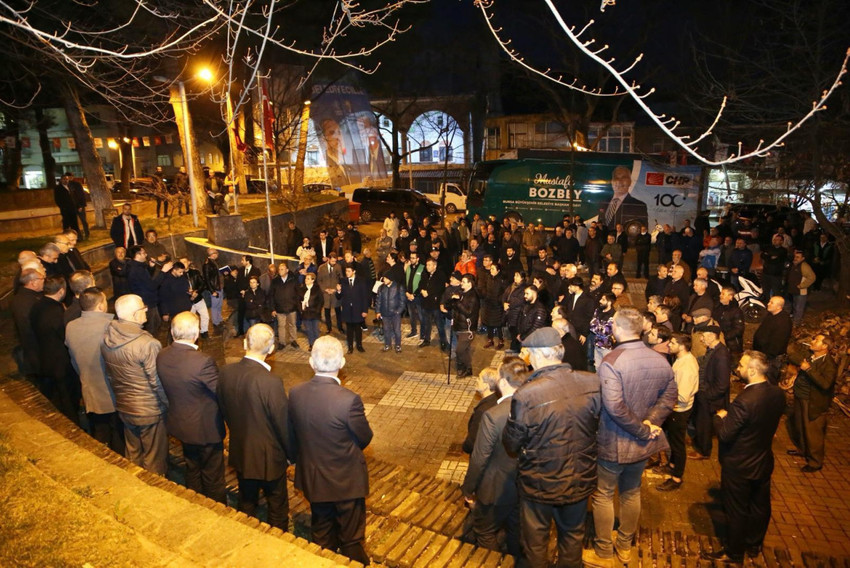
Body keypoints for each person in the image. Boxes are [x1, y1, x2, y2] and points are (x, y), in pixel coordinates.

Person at [585, 307, 676, 567]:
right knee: (631, 492)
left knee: (603, 495)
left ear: (619, 329)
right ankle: (624, 546)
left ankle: (603, 551)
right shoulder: (659, 358)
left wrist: (642, 428)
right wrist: (651, 423)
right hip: (642, 445)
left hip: (614, 441)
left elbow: (613, 407)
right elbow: (670, 395)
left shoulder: (612, 361)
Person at [504, 328, 601, 567]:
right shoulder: (592, 382)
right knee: (572, 536)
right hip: (580, 478)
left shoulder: (527, 394)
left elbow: (512, 442)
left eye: (528, 353)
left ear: (538, 355)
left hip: (540, 482)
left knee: (535, 542)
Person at [289, 335, 373, 565]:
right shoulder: (348, 400)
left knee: (322, 533)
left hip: (314, 479)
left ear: (311, 363)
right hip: (345, 481)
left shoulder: (295, 393)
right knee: (351, 539)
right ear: (342, 363)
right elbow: (365, 437)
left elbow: (295, 433)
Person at [702, 351, 785, 564]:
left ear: (753, 370)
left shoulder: (744, 401)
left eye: (741, 365)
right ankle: (754, 543)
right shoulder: (777, 393)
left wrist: (720, 418)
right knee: (759, 505)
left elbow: (725, 434)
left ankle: (734, 551)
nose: (737, 368)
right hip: (762, 460)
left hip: (739, 464)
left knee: (736, 509)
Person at [217, 323, 291, 528]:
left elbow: (223, 408)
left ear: (244, 343)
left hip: (241, 451)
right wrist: (292, 454)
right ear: (272, 348)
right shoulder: (270, 382)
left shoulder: (225, 372)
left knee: (246, 502)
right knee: (277, 507)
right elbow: (283, 423)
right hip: (269, 459)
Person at [156, 312, 226, 503]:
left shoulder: (162, 355)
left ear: (172, 331)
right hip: (205, 429)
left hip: (180, 424)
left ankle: (194, 502)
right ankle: (216, 511)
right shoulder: (202, 361)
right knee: (213, 476)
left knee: (192, 468)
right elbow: (221, 392)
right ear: (195, 333)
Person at [461, 358, 527, 557]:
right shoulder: (533, 408)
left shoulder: (493, 416)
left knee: (485, 532)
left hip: (495, 489)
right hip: (522, 487)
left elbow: (479, 458)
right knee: (515, 531)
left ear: (504, 383)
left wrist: (468, 489)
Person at [101, 294, 169, 475]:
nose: (146, 309)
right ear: (132, 315)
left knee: (133, 453)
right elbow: (156, 381)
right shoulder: (148, 344)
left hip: (125, 406)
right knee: (154, 458)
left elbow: (109, 374)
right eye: (142, 308)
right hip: (149, 410)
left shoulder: (107, 338)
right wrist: (167, 405)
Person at [65, 287, 125, 454]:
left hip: (90, 391)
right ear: (100, 306)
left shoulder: (71, 327)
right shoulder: (111, 327)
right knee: (118, 438)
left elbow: (74, 361)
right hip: (112, 393)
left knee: (100, 434)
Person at [30, 275, 78, 423]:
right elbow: (65, 336)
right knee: (68, 398)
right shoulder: (56, 312)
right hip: (60, 363)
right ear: (61, 291)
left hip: (45, 357)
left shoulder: (36, 306)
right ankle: (72, 422)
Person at [787, 334, 838, 473]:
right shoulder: (809, 354)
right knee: (800, 425)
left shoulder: (829, 365)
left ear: (825, 346)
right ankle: (803, 450)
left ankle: (815, 462)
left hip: (813, 402)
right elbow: (792, 356)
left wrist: (808, 369)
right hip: (800, 397)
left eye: (817, 340)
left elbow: (825, 384)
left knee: (813, 432)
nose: (813, 341)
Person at [656, 333, 699, 491]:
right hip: (675, 409)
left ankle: (676, 477)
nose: (669, 345)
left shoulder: (686, 367)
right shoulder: (682, 360)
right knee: (673, 441)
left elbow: (682, 395)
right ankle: (672, 465)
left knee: (678, 444)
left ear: (682, 346)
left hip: (679, 411)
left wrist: (667, 403)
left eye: (673, 343)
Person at [690, 324, 731, 460]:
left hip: (709, 398)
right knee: (701, 423)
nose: (701, 339)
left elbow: (722, 384)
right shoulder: (712, 350)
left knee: (704, 425)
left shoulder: (721, 355)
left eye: (704, 336)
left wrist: (706, 396)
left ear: (712, 336)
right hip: (705, 394)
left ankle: (703, 450)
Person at [126, 245, 173, 337]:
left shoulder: (138, 266)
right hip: (146, 302)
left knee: (157, 323)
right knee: (151, 327)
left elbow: (146, 279)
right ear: (137, 255)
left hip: (150, 301)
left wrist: (151, 267)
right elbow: (151, 286)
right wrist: (163, 271)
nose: (146, 255)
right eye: (143, 253)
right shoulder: (136, 269)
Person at [11, 268, 44, 380]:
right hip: (38, 351)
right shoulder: (33, 301)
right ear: (33, 282)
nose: (44, 280)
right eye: (41, 279)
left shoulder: (19, 297)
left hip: (30, 349)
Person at [751, 296, 793, 383]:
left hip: (771, 358)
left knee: (769, 379)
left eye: (771, 303)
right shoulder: (770, 315)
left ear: (779, 307)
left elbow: (778, 343)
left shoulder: (783, 322)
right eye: (769, 301)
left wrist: (767, 355)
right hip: (762, 354)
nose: (768, 304)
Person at [448, 274, 480, 378]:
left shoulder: (473, 296)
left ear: (470, 283)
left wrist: (457, 302)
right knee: (465, 350)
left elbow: (468, 312)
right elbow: (453, 306)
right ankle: (465, 368)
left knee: (459, 350)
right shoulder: (461, 293)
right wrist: (453, 301)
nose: (461, 283)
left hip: (468, 328)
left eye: (464, 282)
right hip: (459, 325)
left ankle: (466, 367)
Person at [599, 165, 647, 233]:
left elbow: (642, 231)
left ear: (630, 182)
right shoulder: (603, 203)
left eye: (624, 178)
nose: (619, 181)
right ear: (612, 181)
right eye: (616, 178)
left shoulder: (639, 206)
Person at [463, 368, 500, 454]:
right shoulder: (497, 399)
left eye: (479, 378)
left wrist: (466, 446)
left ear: (486, 385)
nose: (476, 380)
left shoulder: (483, 411)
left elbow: (472, 441)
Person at [336, 263, 370, 353]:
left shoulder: (361, 281)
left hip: (358, 309)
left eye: (349, 271)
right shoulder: (343, 281)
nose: (347, 273)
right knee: (349, 329)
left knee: (358, 329)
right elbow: (339, 297)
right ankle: (350, 346)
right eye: (346, 271)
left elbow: (364, 297)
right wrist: (338, 291)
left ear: (354, 271)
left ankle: (359, 345)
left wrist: (365, 310)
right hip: (347, 309)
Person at [418, 257, 448, 350]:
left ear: (435, 266)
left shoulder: (440, 274)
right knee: (427, 323)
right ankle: (426, 339)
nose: (427, 267)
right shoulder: (425, 274)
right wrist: (422, 290)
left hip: (435, 304)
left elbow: (440, 288)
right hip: (425, 303)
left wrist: (429, 292)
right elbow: (421, 284)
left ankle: (443, 342)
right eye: (427, 265)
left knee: (439, 324)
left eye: (429, 265)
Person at [271, 262, 300, 350]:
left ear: (287, 270)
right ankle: (282, 342)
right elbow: (271, 296)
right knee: (281, 326)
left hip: (292, 307)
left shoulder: (293, 280)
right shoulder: (275, 281)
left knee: (292, 325)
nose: (280, 271)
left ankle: (293, 340)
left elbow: (298, 293)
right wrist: (273, 309)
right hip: (280, 308)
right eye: (279, 269)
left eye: (282, 269)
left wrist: (296, 304)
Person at [376, 272, 405, 353]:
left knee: (397, 330)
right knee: (386, 330)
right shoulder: (381, 288)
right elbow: (378, 301)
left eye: (385, 278)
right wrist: (378, 311)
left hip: (395, 314)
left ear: (390, 279)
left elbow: (402, 302)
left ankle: (398, 345)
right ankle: (387, 345)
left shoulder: (399, 287)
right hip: (385, 313)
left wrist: (398, 311)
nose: (383, 280)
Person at [786, 249, 815, 325]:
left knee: (799, 307)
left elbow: (812, 277)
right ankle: (795, 320)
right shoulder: (794, 264)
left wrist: (802, 285)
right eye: (795, 256)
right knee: (795, 306)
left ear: (803, 258)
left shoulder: (804, 266)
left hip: (801, 291)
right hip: (794, 290)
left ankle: (796, 323)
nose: (795, 258)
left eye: (798, 257)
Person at [713, 287, 745, 355]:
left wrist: (723, 337)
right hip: (718, 340)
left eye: (723, 294)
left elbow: (738, 330)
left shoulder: (736, 311)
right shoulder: (717, 306)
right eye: (721, 293)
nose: (720, 295)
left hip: (731, 345)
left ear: (730, 297)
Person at [235, 255, 261, 336]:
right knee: (241, 313)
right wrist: (241, 291)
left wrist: (246, 291)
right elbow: (238, 282)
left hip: (251, 296)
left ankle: (255, 331)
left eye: (243, 260)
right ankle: (240, 331)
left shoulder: (256, 270)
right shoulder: (240, 270)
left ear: (248, 261)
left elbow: (256, 283)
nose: (241, 261)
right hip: (242, 296)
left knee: (253, 313)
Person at [318, 253, 344, 334]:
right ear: (328, 259)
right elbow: (319, 281)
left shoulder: (338, 267)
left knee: (338, 311)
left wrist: (336, 288)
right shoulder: (321, 268)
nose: (334, 263)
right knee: (327, 312)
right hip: (326, 293)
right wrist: (324, 289)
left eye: (335, 261)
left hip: (335, 292)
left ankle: (340, 327)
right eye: (332, 261)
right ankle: (329, 328)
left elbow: (341, 279)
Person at [299, 272, 324, 350]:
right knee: (309, 329)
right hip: (306, 312)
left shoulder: (317, 288)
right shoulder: (302, 288)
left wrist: (317, 310)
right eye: (306, 278)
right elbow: (298, 299)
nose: (306, 280)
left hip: (314, 312)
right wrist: (301, 308)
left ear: (313, 280)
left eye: (308, 278)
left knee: (315, 329)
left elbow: (321, 300)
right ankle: (311, 344)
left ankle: (317, 344)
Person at [404, 251, 426, 338]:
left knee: (421, 316)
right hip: (408, 296)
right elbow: (406, 281)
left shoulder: (422, 268)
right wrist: (407, 293)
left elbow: (422, 284)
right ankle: (413, 331)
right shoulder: (408, 268)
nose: (412, 260)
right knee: (412, 315)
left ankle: (423, 333)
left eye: (413, 258)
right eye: (411, 258)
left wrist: (414, 294)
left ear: (417, 259)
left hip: (418, 297)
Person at [202, 248, 224, 328]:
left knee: (219, 304)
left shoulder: (214, 262)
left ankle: (219, 319)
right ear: (213, 254)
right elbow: (207, 279)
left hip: (219, 286)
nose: (217, 255)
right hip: (215, 288)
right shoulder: (207, 264)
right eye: (216, 253)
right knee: (215, 306)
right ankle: (216, 322)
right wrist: (212, 291)